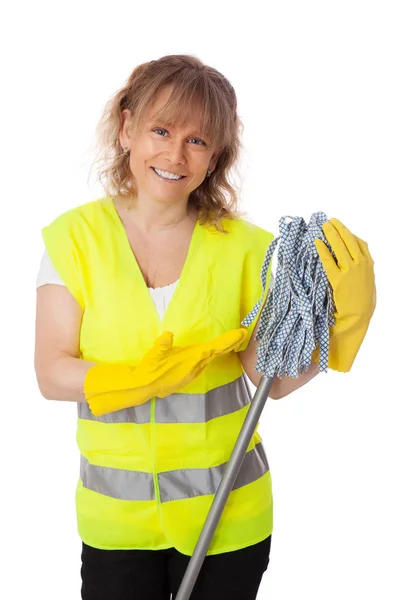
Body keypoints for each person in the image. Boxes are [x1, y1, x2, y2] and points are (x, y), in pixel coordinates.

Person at [35, 54, 279, 600]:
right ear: (127, 129)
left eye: (197, 140)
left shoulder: (248, 249)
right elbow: (51, 372)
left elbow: (273, 381)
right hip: (118, 523)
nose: (174, 154)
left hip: (228, 516)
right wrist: (138, 379)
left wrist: (340, 326)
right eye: (161, 130)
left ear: (216, 155)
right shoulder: (73, 240)